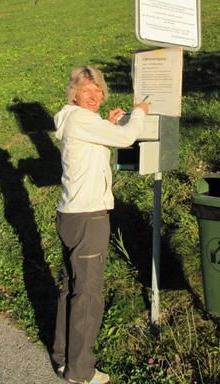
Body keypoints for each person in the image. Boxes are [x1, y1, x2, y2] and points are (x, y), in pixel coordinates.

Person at [52, 66, 149, 384]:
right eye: (87, 91)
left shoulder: (73, 120)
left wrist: (106, 125)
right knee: (88, 294)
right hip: (89, 216)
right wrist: (139, 113)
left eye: (98, 91)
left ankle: (64, 357)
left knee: (71, 289)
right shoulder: (81, 119)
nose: (94, 96)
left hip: (69, 215)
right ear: (74, 94)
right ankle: (80, 372)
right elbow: (126, 137)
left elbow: (94, 148)